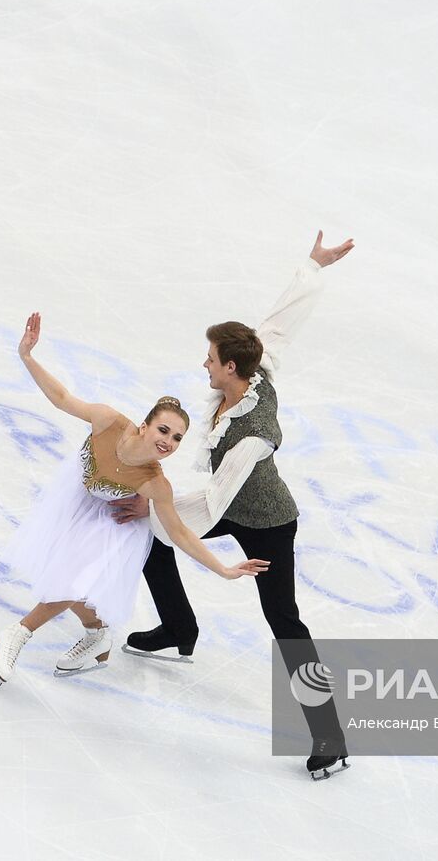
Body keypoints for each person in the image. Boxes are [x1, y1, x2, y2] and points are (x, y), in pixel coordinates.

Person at [110, 230, 355, 778]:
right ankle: (179, 627)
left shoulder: (250, 437)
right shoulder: (255, 368)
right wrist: (312, 266)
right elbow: (278, 323)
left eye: (212, 359)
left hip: (266, 524)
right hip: (234, 505)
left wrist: (153, 508)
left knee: (283, 619)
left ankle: (330, 735)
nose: (205, 364)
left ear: (231, 370)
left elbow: (217, 499)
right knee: (153, 542)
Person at [0, 312, 268, 687]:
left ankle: (14, 636)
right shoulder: (108, 421)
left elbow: (180, 534)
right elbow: (62, 398)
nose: (168, 441)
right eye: (164, 430)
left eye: (178, 438)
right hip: (81, 498)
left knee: (73, 575)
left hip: (119, 522)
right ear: (144, 426)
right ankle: (98, 634)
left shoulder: (156, 485)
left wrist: (224, 569)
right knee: (69, 577)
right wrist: (28, 356)